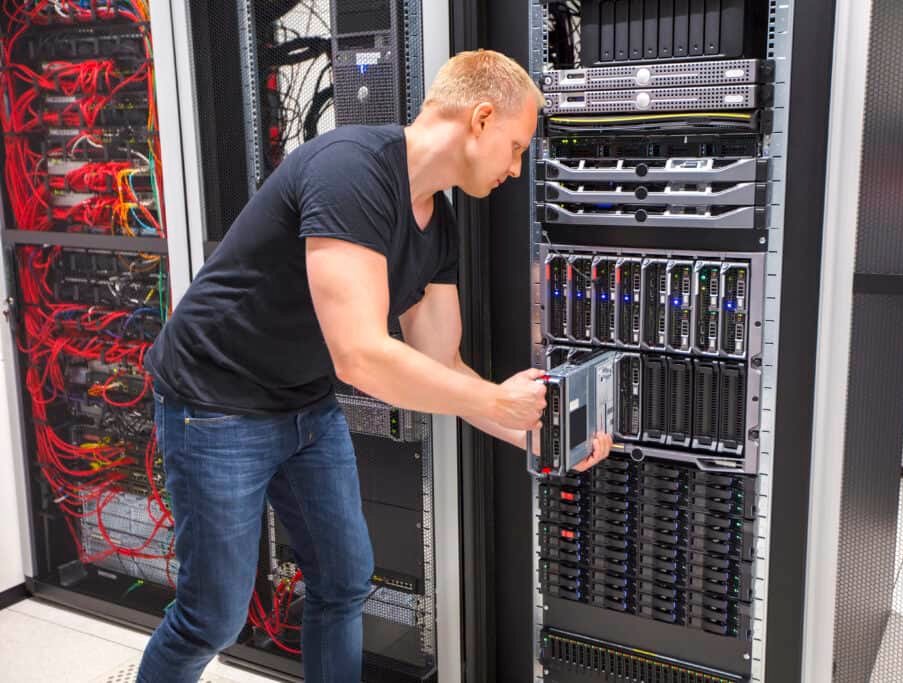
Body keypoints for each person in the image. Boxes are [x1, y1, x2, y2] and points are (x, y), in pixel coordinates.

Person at [136, 49, 613, 683]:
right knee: (212, 618)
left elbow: (441, 364)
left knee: (343, 583)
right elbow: (360, 355)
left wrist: (536, 435)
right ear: (480, 117)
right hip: (215, 403)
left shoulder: (437, 223)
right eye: (517, 144)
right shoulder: (349, 170)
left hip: (303, 403)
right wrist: (496, 403)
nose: (516, 167)